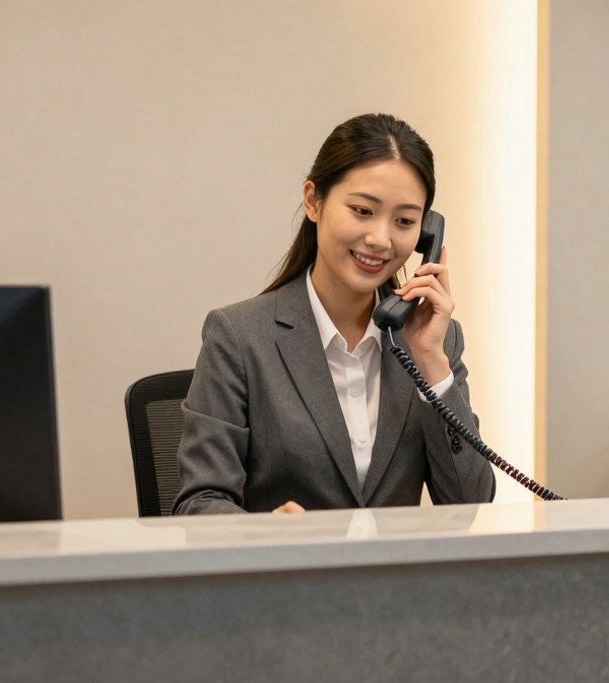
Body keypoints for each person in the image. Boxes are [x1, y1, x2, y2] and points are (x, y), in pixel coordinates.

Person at [173, 113, 495, 515]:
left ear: (426, 235)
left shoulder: (435, 339)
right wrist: (263, 534)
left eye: (405, 221)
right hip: (290, 575)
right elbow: (200, 502)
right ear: (313, 201)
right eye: (362, 210)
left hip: (394, 577)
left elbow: (471, 503)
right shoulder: (239, 337)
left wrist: (431, 363)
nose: (380, 239)